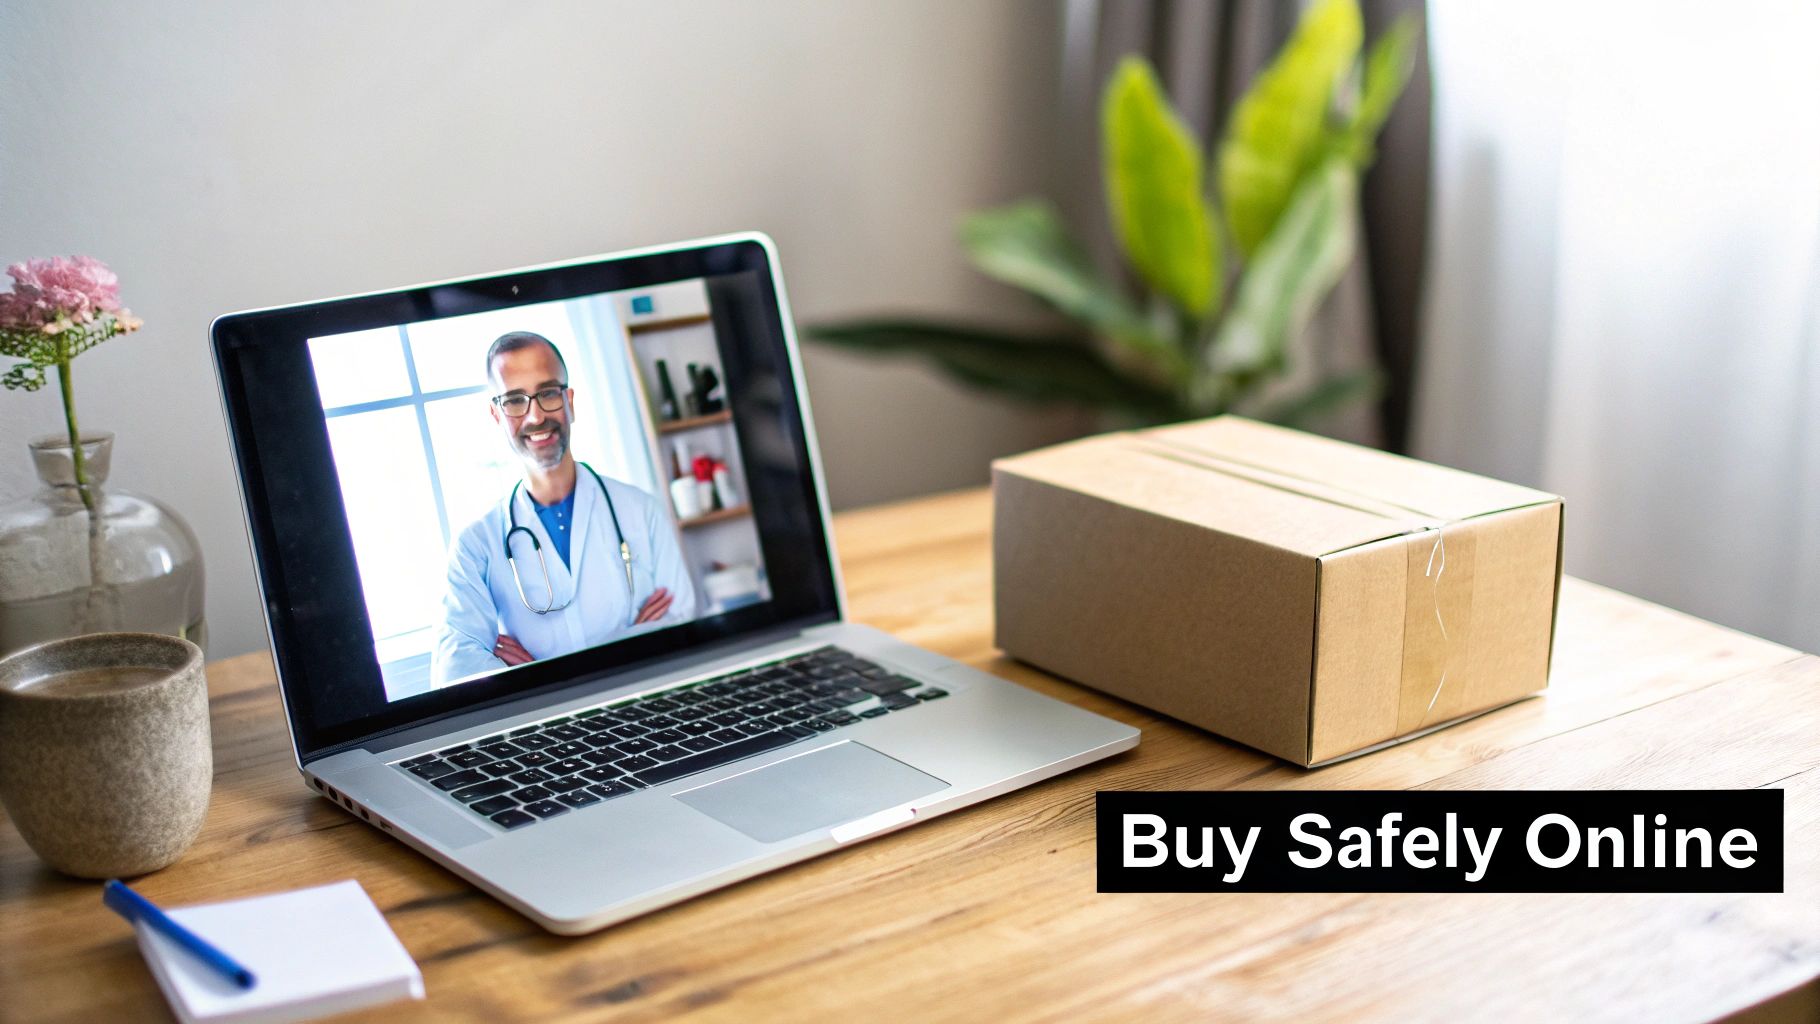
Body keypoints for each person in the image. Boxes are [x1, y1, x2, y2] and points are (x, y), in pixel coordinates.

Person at [430, 331, 695, 686]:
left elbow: (683, 626)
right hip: (550, 714)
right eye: (514, 400)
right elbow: (454, 669)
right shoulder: (475, 545)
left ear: (569, 401)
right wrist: (631, 641)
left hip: (645, 698)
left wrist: (545, 671)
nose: (535, 416)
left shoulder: (643, 511)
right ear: (496, 415)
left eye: (548, 393)